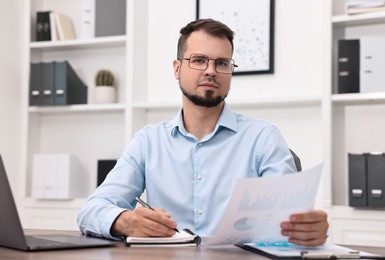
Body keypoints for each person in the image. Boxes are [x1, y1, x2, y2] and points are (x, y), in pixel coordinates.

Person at [77, 18, 329, 246]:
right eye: (199, 60)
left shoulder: (263, 138)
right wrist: (124, 221)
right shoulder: (148, 142)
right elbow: (91, 210)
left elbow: (286, 221)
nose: (211, 70)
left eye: (222, 63)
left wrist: (308, 230)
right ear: (177, 68)